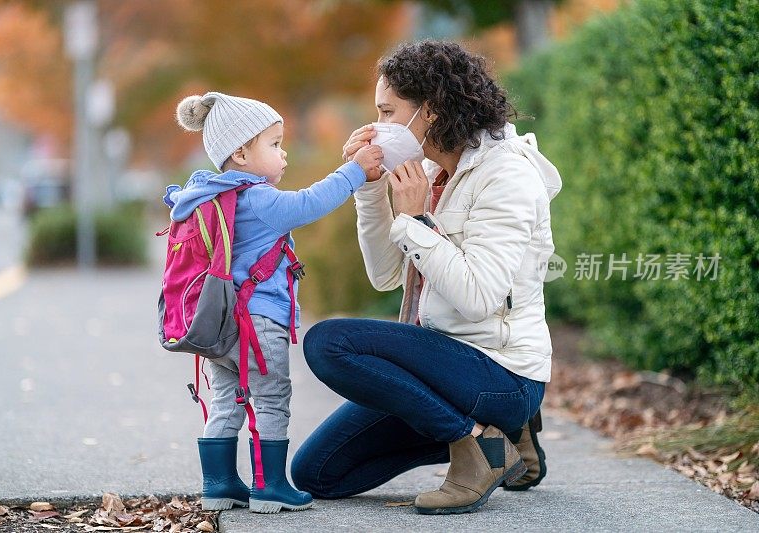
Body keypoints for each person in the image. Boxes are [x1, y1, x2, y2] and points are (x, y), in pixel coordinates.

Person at [291, 40, 562, 515]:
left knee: (329, 343)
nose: (377, 126)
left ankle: (478, 444)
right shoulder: (433, 172)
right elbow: (386, 276)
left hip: (500, 371)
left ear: (430, 112)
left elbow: (479, 296)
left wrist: (417, 223)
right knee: (319, 474)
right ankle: (500, 439)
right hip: (442, 369)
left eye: (387, 112)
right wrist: (371, 191)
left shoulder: (507, 178)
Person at [167, 92, 383, 513]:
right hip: (259, 322)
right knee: (271, 397)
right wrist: (354, 172)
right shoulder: (257, 198)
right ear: (242, 152)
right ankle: (269, 486)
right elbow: (309, 204)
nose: (283, 154)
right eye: (275, 144)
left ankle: (219, 485)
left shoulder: (206, 195)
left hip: (221, 322)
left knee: (226, 398)